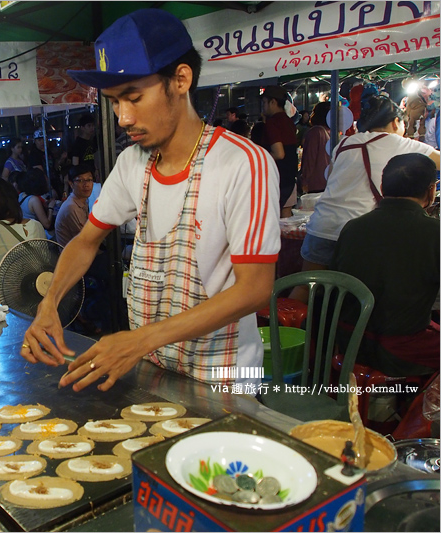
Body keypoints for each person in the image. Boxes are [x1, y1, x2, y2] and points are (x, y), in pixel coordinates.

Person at [20, 9, 279, 391]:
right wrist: (50, 301)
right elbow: (86, 240)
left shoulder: (243, 164)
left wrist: (140, 339)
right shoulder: (131, 164)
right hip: (155, 370)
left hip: (224, 377)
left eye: (134, 97)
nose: (123, 118)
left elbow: (255, 288)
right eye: (113, 102)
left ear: (181, 80)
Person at [295, 95, 440, 297]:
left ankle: (291, 326)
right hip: (358, 233)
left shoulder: (345, 143)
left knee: (305, 286)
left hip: (321, 225)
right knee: (355, 296)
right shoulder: (402, 143)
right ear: (396, 122)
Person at [330, 153, 439, 376]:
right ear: (431, 190)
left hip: (348, 341)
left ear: (381, 185)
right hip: (398, 350)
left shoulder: (353, 227)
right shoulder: (434, 232)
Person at [261, 85, 299, 216]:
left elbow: (279, 153)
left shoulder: (273, 122)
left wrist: (259, 160)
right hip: (290, 178)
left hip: (278, 179)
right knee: (285, 219)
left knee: (272, 218)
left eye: (264, 102)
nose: (263, 106)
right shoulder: (289, 122)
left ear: (273, 102)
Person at [55, 165, 93, 247]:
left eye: (89, 180)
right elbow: (85, 239)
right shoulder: (71, 207)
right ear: (71, 184)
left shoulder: (83, 201)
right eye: (80, 180)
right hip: (74, 257)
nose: (86, 184)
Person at [300, 101, 332, 193]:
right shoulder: (331, 132)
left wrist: (304, 180)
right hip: (328, 182)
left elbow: (310, 159)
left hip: (315, 184)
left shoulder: (315, 132)